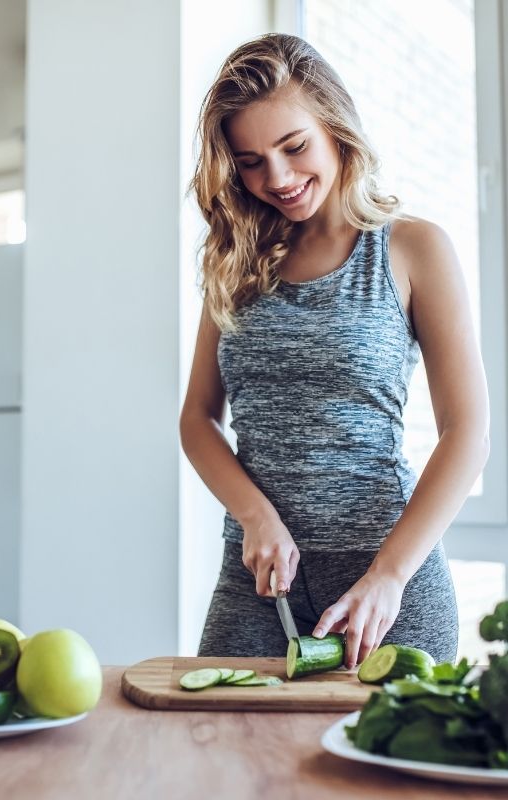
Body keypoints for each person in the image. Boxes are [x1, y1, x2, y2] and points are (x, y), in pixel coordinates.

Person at [179, 33, 490, 668]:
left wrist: (390, 575)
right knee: (225, 758)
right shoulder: (232, 262)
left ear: (335, 128)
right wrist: (255, 516)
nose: (279, 178)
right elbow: (197, 420)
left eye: (294, 148)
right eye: (251, 161)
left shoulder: (412, 249)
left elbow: (469, 431)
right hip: (257, 582)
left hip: (386, 578)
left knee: (384, 764)